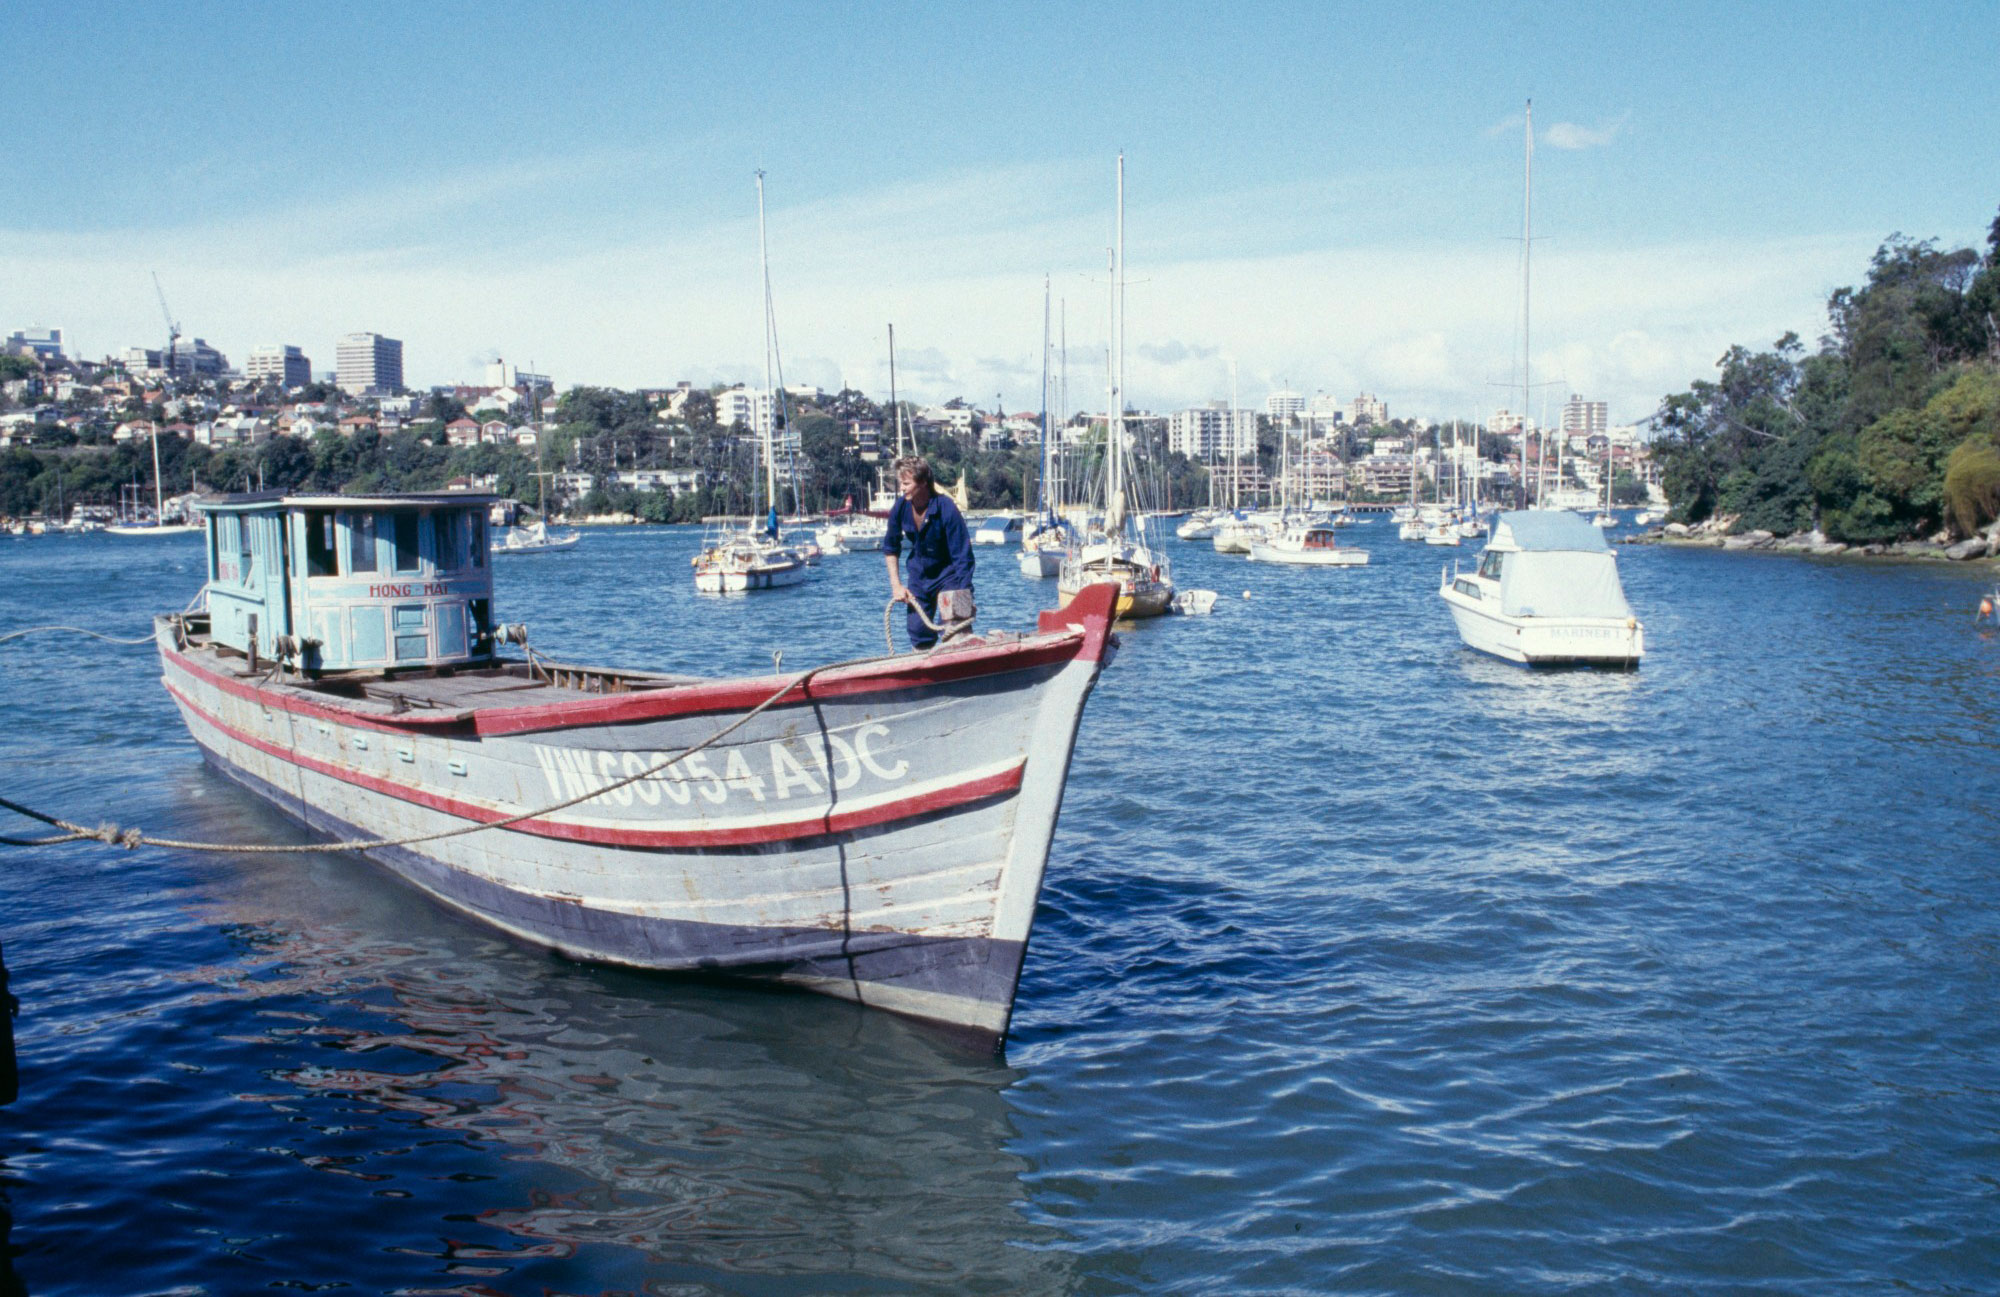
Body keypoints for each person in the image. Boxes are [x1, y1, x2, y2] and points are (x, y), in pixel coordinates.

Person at [881, 455, 975, 649]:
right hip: (919, 575)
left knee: (952, 626)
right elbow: (891, 548)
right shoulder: (900, 506)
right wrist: (896, 585)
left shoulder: (946, 508)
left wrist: (965, 595)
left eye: (906, 483)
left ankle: (958, 658)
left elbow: (963, 557)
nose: (902, 488)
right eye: (901, 483)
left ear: (923, 482)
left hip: (948, 575)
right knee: (918, 630)